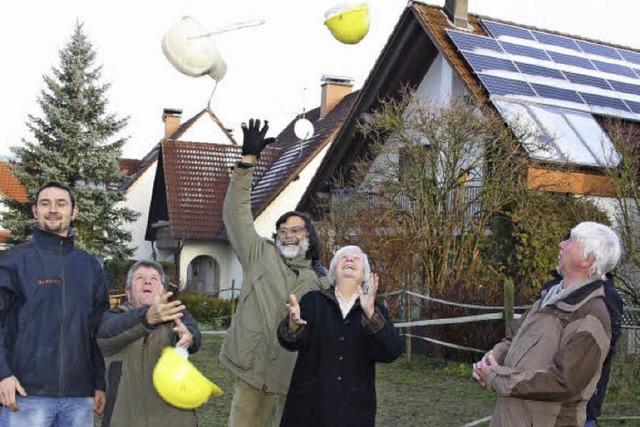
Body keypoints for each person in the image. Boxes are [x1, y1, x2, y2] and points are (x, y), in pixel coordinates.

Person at [220, 118, 330, 427]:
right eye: (282, 230)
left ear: (310, 235)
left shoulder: (323, 281)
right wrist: (247, 162)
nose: (288, 235)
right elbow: (236, 214)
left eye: (296, 229)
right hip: (251, 374)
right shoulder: (259, 254)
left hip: (293, 379)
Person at [473, 222, 621, 427]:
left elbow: (564, 381)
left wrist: (497, 378)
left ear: (588, 260)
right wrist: (490, 360)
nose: (561, 244)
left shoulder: (591, 314)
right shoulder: (548, 298)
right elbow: (513, 339)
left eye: (571, 240)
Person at [0, 181, 108, 426]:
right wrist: (2, 374)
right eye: (45, 203)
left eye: (61, 204)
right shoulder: (13, 261)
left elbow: (97, 330)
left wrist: (99, 383)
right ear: (34, 211)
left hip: (80, 397)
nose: (53, 210)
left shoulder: (90, 266)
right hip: (26, 395)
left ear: (74, 212)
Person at [277, 245, 404, 427]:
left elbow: (392, 351)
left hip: (354, 413)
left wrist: (370, 314)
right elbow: (289, 342)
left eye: (356, 259)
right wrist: (292, 325)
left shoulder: (376, 310)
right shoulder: (313, 301)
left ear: (364, 276)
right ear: (333, 273)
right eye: (343, 258)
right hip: (308, 410)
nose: (350, 260)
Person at [97, 260, 201, 427]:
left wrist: (190, 337)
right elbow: (105, 335)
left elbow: (192, 332)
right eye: (139, 278)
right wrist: (147, 318)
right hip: (124, 419)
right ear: (128, 292)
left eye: (154, 278)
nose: (147, 281)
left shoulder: (175, 313)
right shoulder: (113, 317)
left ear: (162, 290)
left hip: (175, 420)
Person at [538, 270, 623, 427]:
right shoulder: (551, 289)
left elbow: (605, 347)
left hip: (580, 396)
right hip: (541, 391)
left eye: (571, 243)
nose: (563, 246)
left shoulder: (605, 295)